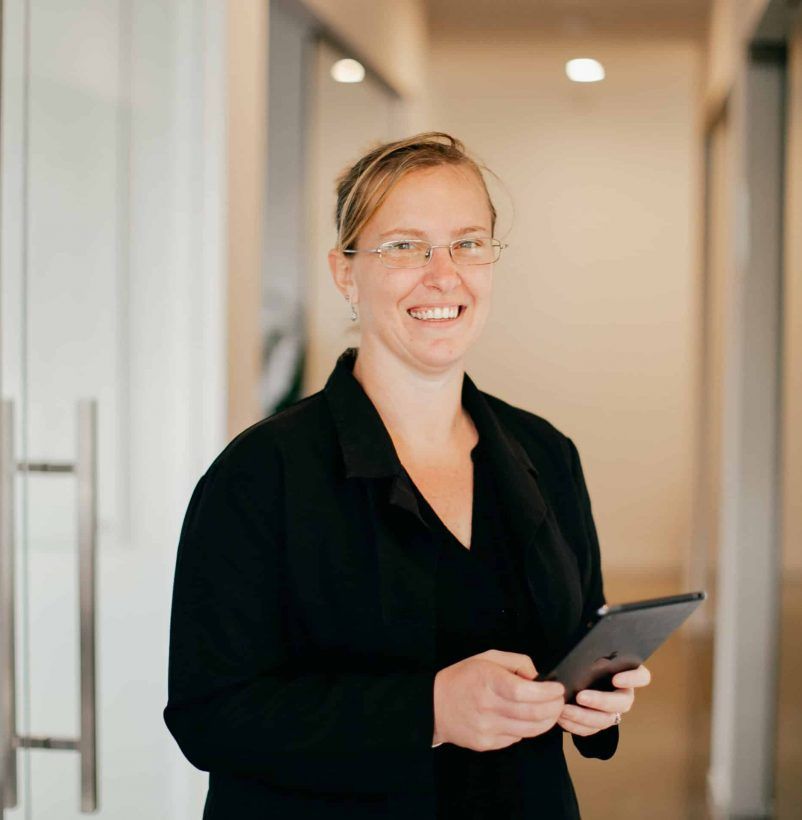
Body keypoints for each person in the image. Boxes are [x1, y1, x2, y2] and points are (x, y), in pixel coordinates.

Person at [163, 132, 652, 819]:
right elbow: (210, 714)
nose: (444, 273)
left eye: (468, 242)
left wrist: (593, 700)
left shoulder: (545, 453)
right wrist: (430, 712)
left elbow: (574, 641)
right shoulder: (259, 474)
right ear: (344, 272)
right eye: (404, 246)